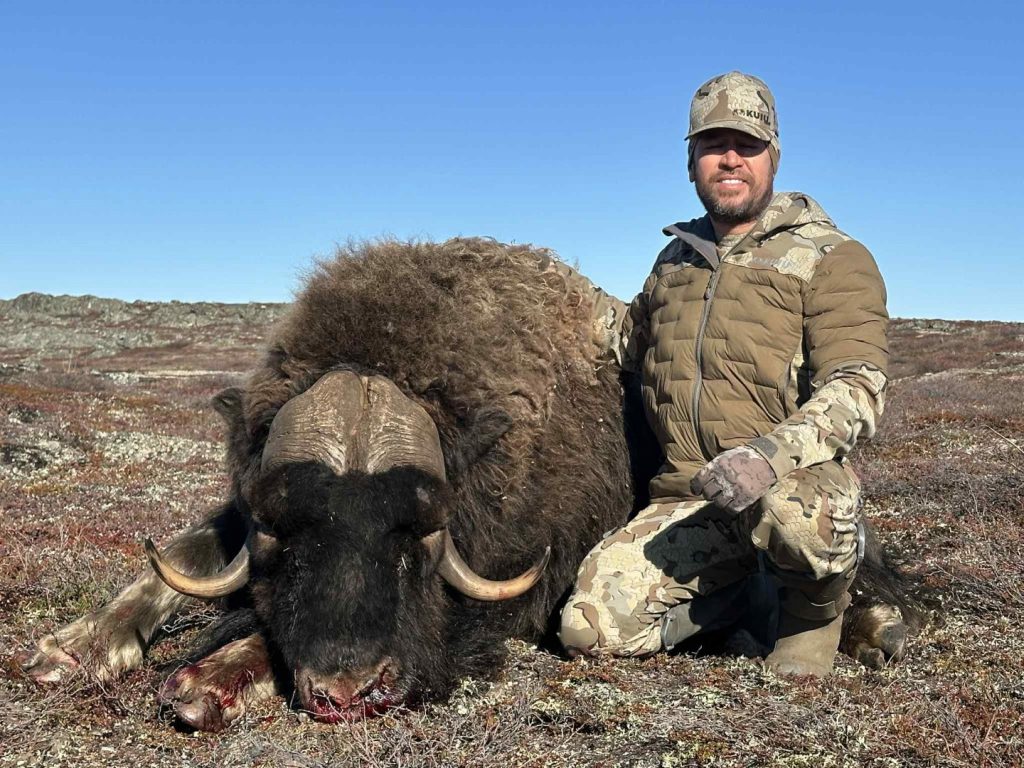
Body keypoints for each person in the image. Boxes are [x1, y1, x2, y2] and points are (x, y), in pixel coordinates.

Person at [559, 71, 889, 678]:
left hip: (789, 486)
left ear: (773, 157)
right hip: (693, 500)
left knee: (795, 518)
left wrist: (767, 457)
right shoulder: (674, 261)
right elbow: (630, 341)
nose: (730, 158)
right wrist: (548, 285)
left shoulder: (833, 256)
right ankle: (750, 596)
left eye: (747, 144)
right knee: (588, 629)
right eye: (713, 145)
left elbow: (858, 387)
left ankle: (815, 612)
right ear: (691, 162)